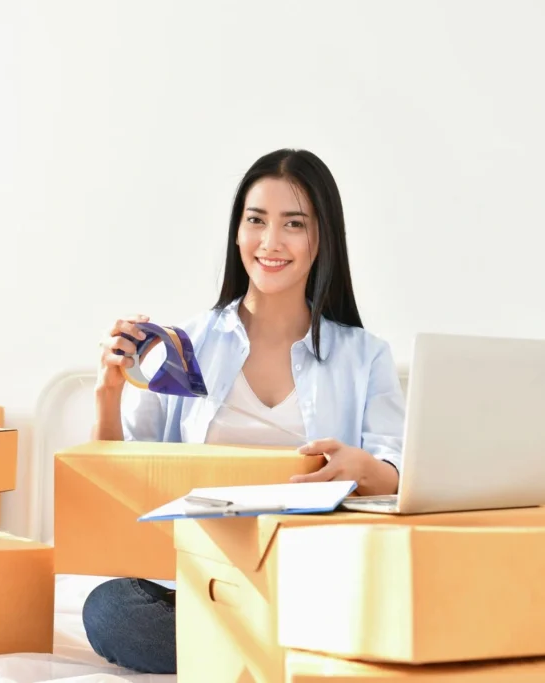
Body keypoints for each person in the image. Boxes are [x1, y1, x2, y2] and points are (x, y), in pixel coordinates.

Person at [82, 148, 405, 674]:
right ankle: (296, 653)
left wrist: (365, 469)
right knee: (111, 611)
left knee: (399, 595)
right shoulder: (185, 346)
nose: (270, 242)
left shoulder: (364, 356)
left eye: (293, 224)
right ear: (237, 234)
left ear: (321, 239)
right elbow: (114, 478)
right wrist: (108, 392)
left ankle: (253, 650)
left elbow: (397, 472)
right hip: (206, 580)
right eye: (256, 221)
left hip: (315, 580)